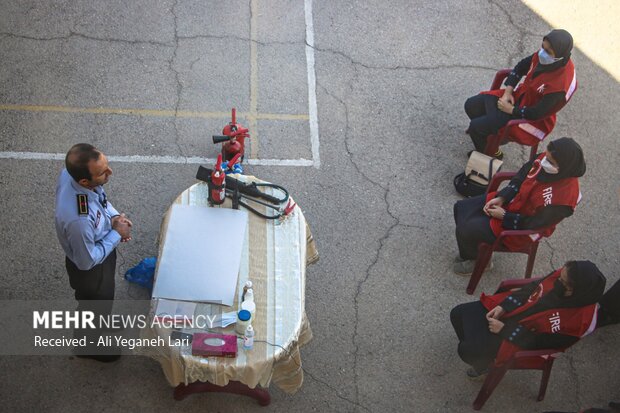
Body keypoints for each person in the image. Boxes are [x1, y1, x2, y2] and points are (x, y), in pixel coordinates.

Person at [450, 261, 605, 378]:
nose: (557, 280)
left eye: (563, 282)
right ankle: (481, 353)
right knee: (458, 314)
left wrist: (505, 330)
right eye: (560, 276)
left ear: (576, 291)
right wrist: (505, 306)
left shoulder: (578, 323)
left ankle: (483, 365)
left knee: (466, 350)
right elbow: (533, 287)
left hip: (518, 337)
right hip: (515, 311)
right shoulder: (565, 275)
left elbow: (539, 344)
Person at [453, 137, 585, 275]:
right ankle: (473, 252)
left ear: (564, 167)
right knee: (460, 208)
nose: (544, 161)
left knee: (465, 229)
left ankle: (480, 261)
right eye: (546, 156)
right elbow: (522, 174)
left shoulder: (562, 201)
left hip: (520, 227)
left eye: (551, 162)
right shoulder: (546, 159)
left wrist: (504, 216)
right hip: (513, 201)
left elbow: (535, 224)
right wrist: (503, 197)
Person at [55, 143, 132, 362]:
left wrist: (115, 218)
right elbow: (86, 262)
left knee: (103, 301)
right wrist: (117, 233)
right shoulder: (79, 220)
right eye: (103, 172)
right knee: (93, 304)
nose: (110, 173)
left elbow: (100, 200)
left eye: (106, 166)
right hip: (91, 268)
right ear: (84, 181)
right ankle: (87, 345)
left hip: (100, 249)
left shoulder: (72, 177)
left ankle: (102, 321)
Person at [464, 29, 577, 159]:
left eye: (547, 52)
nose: (542, 53)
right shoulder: (548, 57)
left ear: (559, 56)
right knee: (471, 105)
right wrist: (507, 92)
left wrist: (511, 110)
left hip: (531, 120)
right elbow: (521, 67)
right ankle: (489, 137)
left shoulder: (560, 87)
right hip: (518, 98)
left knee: (476, 127)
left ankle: (492, 153)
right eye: (542, 47)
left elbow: (536, 114)